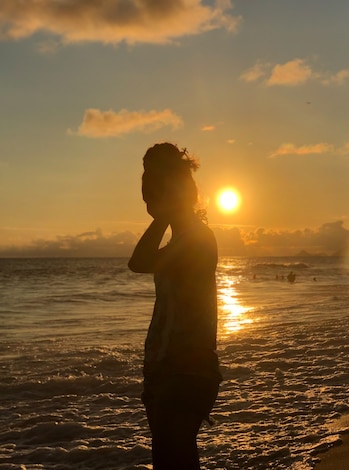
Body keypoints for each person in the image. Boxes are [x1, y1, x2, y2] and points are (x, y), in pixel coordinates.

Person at [128, 142, 222, 470]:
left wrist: (164, 215)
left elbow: (138, 262)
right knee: (167, 460)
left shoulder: (197, 238)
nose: (149, 206)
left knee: (175, 459)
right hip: (165, 367)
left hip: (187, 368)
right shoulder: (181, 241)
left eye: (151, 197)